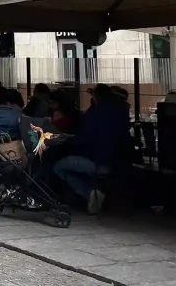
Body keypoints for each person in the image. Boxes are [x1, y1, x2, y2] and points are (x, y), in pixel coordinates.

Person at [53, 83, 129, 214]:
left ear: (95, 97)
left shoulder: (95, 113)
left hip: (98, 161)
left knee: (58, 166)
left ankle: (89, 193)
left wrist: (68, 142)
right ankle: (95, 193)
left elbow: (83, 139)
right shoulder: (122, 111)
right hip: (119, 162)